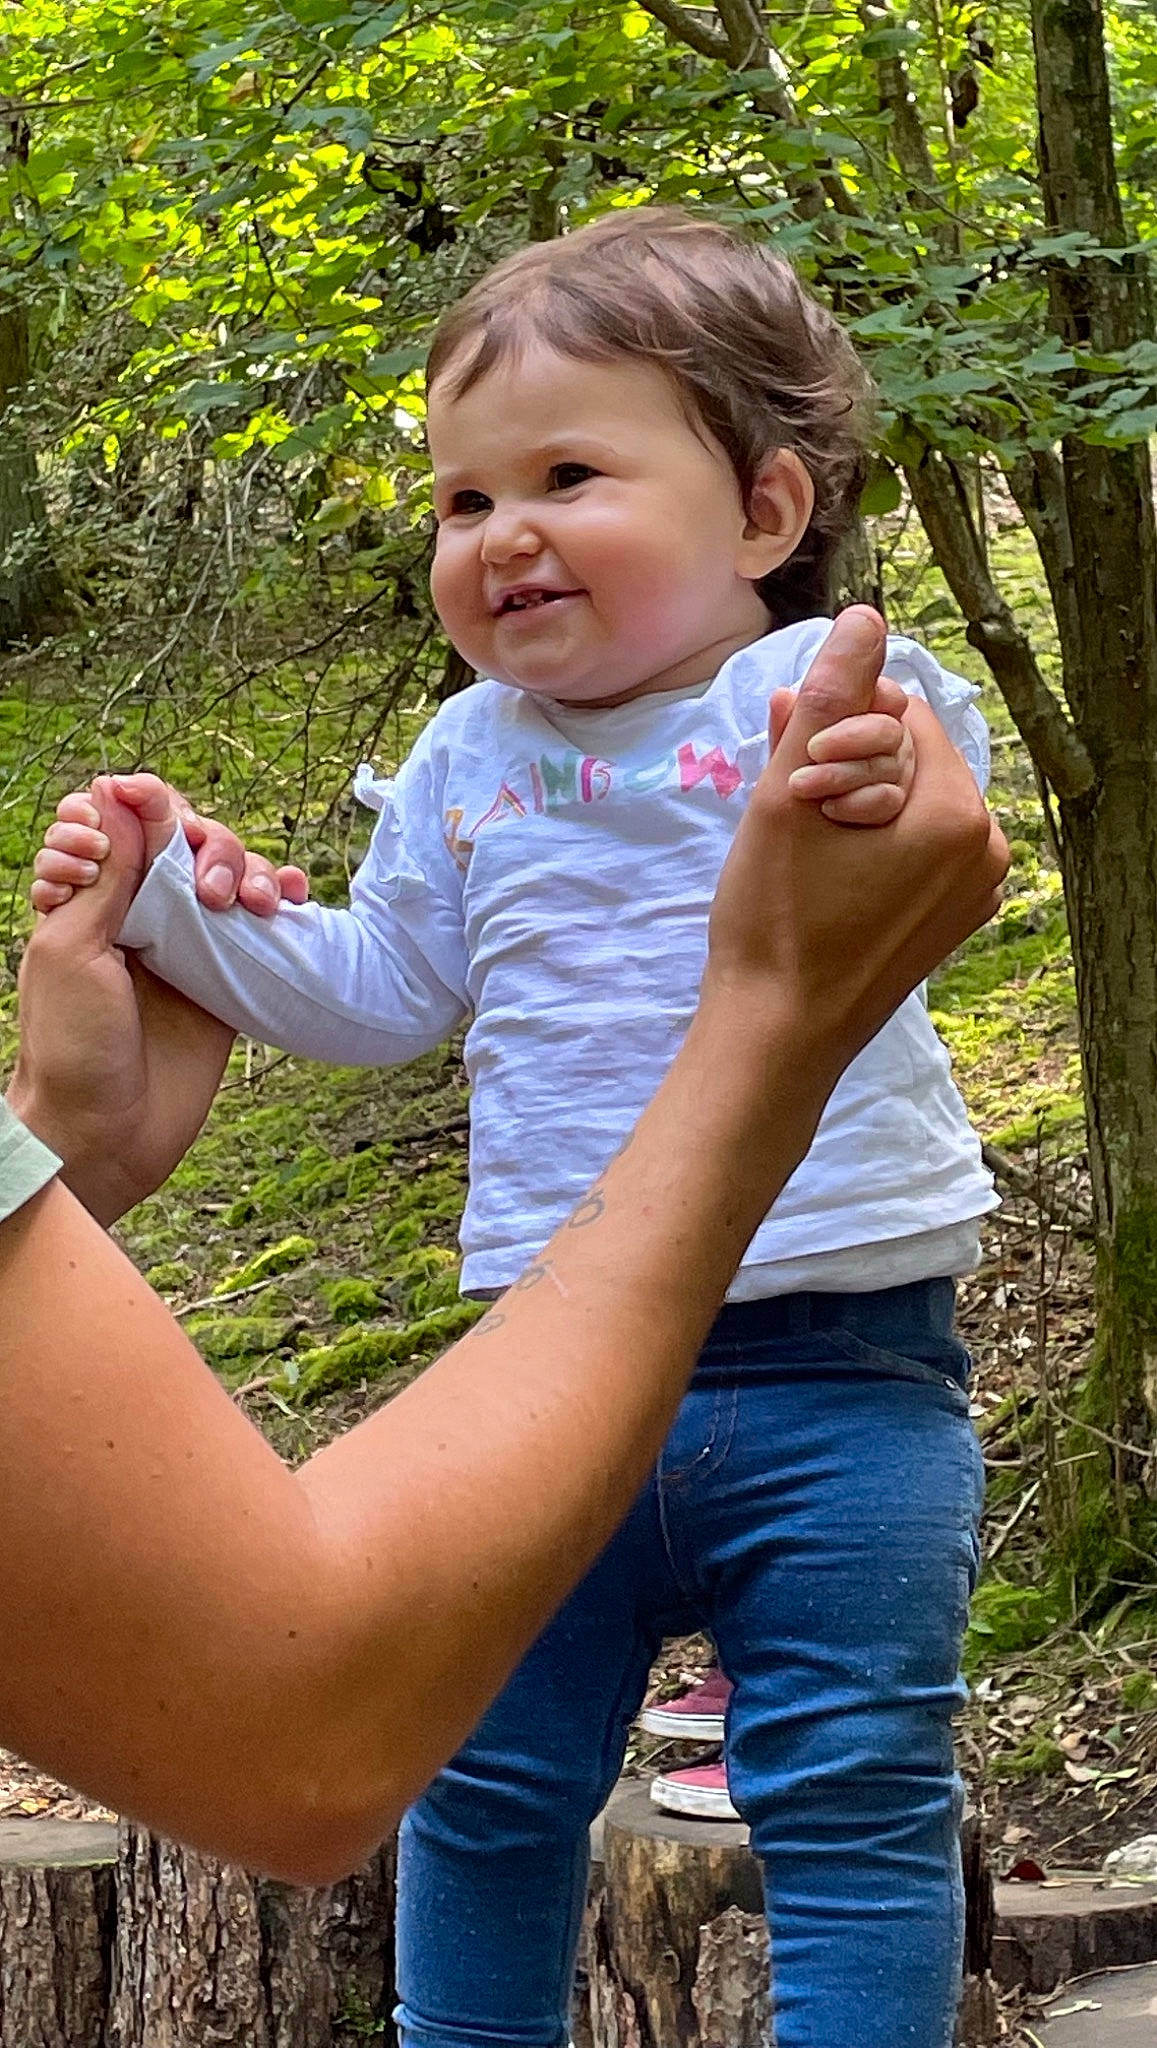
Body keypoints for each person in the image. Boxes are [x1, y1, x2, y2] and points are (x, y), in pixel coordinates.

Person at [33, 209, 998, 2045]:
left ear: (764, 514)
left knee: (854, 1792)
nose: (501, 535)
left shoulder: (814, 687)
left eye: (567, 476)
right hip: (538, 1388)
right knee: (481, 1784)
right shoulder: (472, 753)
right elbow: (381, 993)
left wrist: (867, 778)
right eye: (462, 501)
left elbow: (930, 857)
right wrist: (171, 910)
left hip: (845, 1370)